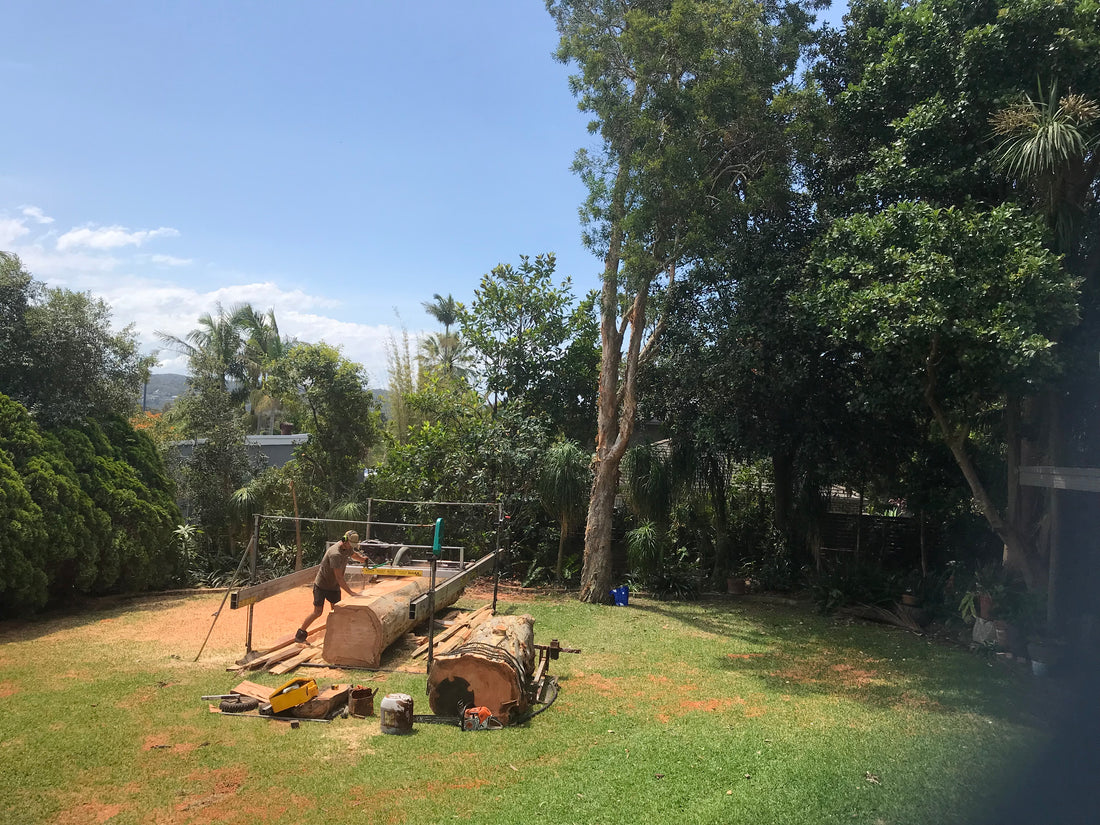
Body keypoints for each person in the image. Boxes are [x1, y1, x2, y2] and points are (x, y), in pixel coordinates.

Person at [295, 530, 367, 642]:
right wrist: (351, 593)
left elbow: (353, 554)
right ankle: (300, 635)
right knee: (317, 612)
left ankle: (337, 635)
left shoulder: (347, 548)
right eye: (350, 544)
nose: (351, 547)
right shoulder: (335, 554)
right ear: (344, 540)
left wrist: (362, 559)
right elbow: (339, 577)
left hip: (333, 586)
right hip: (322, 585)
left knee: (337, 611)